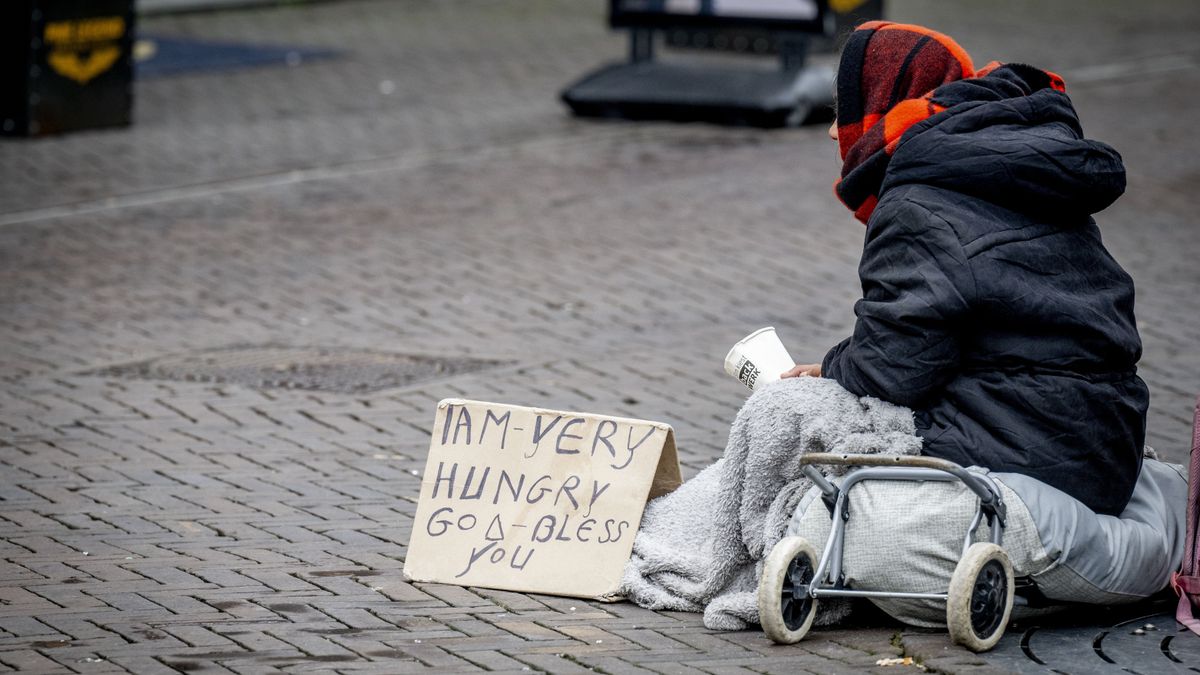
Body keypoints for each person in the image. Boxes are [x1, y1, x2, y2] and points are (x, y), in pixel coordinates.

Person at [782, 21, 1148, 516]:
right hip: (1104, 448)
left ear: (883, 102)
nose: (833, 129)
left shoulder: (917, 200)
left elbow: (897, 369)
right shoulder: (1009, 164)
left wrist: (831, 374)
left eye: (843, 110)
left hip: (1028, 452)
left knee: (785, 415)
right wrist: (837, 363)